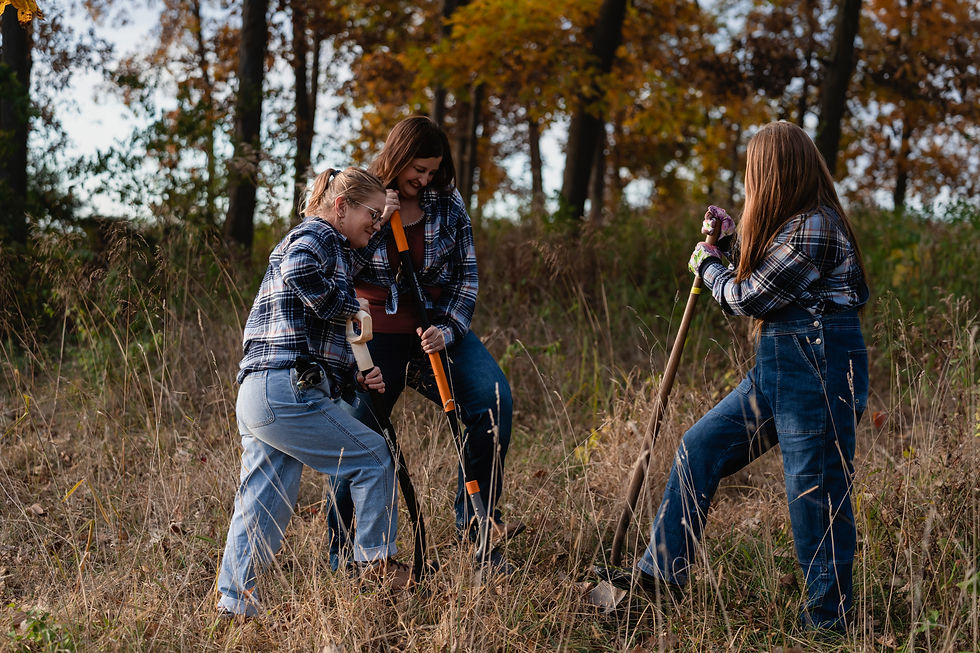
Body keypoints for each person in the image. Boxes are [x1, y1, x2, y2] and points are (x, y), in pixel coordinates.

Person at [599, 121, 869, 633]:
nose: (750, 185)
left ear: (774, 174)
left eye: (754, 174)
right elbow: (760, 264)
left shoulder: (816, 226)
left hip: (818, 372)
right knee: (698, 447)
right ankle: (662, 579)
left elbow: (750, 297)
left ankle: (829, 624)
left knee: (815, 495)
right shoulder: (791, 225)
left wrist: (709, 268)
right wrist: (727, 241)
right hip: (777, 373)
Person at [327, 116, 519, 573]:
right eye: (417, 169)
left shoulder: (446, 201)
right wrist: (382, 216)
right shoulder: (363, 194)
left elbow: (466, 278)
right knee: (358, 429)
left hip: (435, 328)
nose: (424, 179)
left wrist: (447, 330)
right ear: (396, 158)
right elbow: (334, 265)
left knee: (493, 402)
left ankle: (478, 533)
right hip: (373, 334)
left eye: (432, 171)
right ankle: (345, 551)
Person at [216, 167, 410, 619]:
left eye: (380, 219)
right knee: (374, 456)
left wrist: (353, 376)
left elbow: (319, 326)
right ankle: (374, 567)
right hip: (285, 386)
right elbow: (300, 269)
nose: (376, 225)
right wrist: (350, 308)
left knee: (263, 498)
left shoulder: (340, 249)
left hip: (261, 391)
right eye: (371, 215)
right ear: (341, 207)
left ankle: (234, 604)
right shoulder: (319, 235)